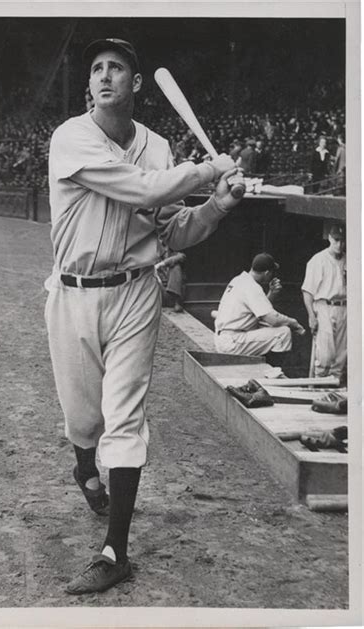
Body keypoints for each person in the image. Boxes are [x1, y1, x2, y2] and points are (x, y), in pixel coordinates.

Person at [45, 38, 243, 595]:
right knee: (83, 421)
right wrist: (207, 168)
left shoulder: (157, 149)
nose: (105, 76)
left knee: (125, 420)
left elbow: (169, 228)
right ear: (90, 85)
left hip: (135, 292)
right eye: (97, 69)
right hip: (73, 293)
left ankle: (115, 551)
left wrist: (218, 203)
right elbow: (137, 187)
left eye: (117, 69)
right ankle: (85, 467)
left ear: (136, 85)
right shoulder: (71, 137)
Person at [214, 253, 305, 362]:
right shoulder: (252, 287)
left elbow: (259, 311)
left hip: (224, 338)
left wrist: (271, 293)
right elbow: (273, 319)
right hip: (232, 342)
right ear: (267, 273)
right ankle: (274, 371)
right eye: (272, 272)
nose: (272, 275)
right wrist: (293, 322)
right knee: (283, 333)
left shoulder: (239, 279)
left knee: (267, 327)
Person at [301, 222, 346, 379]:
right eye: (336, 240)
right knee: (324, 355)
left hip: (344, 307)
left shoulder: (349, 259)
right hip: (324, 306)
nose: (340, 244)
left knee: (341, 357)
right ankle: (318, 388)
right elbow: (307, 291)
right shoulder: (318, 260)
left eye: (342, 240)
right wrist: (311, 316)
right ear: (329, 238)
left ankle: (333, 397)